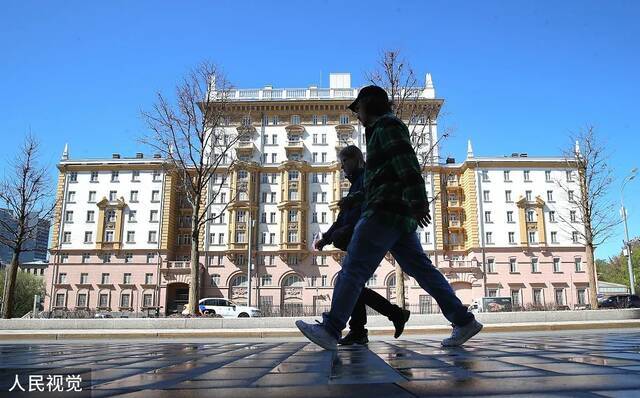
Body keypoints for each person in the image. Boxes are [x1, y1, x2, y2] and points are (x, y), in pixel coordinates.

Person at [296, 85, 483, 350]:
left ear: (368, 106)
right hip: (398, 216)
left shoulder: (387, 127)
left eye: (358, 109)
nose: (357, 116)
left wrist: (419, 203)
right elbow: (382, 179)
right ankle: (463, 321)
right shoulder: (379, 132)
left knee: (353, 270)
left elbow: (407, 164)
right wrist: (354, 199)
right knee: (424, 272)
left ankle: (331, 328)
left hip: (383, 213)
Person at [315, 145, 410, 345]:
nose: (342, 168)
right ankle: (370, 325)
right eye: (341, 163)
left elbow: (365, 211)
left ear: (356, 160)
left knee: (350, 281)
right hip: (355, 239)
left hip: (365, 238)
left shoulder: (365, 179)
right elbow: (342, 218)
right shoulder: (355, 183)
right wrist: (326, 238)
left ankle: (363, 326)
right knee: (353, 283)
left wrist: (344, 230)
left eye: (345, 162)